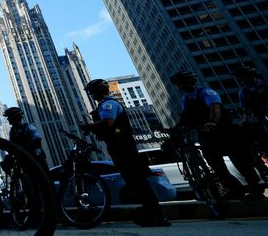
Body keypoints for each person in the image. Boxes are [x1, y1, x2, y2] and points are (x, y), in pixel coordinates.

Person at [80, 78, 170, 227]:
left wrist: (88, 126)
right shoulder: (104, 105)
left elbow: (108, 123)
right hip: (119, 148)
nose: (92, 95)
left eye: (92, 92)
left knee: (139, 182)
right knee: (134, 184)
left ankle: (156, 216)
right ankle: (151, 214)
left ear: (98, 91)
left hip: (124, 149)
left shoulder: (109, 104)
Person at [170, 70, 264, 201]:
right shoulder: (186, 98)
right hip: (206, 135)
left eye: (182, 83)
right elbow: (184, 117)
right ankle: (236, 190)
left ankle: (256, 189)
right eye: (179, 84)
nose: (180, 86)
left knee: (240, 161)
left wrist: (212, 122)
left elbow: (215, 108)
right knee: (216, 165)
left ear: (190, 82)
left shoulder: (206, 92)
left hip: (224, 132)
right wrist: (175, 129)